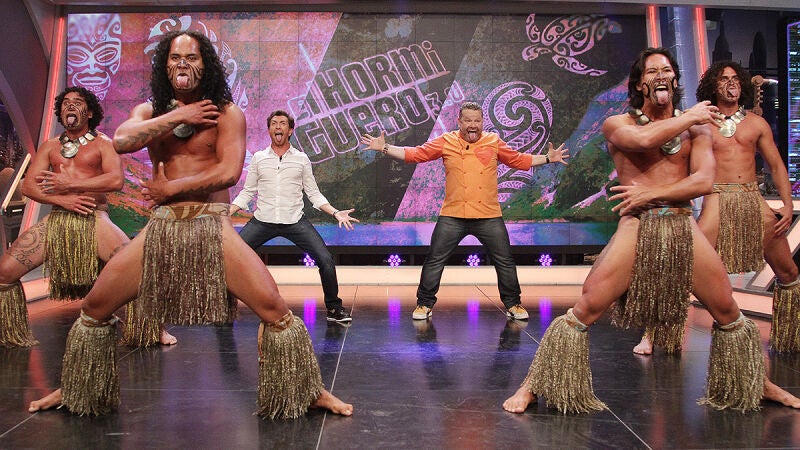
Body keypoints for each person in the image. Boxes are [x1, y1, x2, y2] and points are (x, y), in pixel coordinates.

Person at [28, 31, 352, 419]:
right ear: (165, 65)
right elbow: (123, 141)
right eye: (175, 57)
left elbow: (229, 172)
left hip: (211, 224)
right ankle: (76, 387)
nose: (183, 63)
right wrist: (180, 115)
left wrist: (172, 188)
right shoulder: (150, 112)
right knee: (96, 306)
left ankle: (309, 390)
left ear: (206, 64)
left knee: (273, 307)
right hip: (163, 225)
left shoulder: (227, 113)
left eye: (192, 57)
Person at [502, 48, 800, 415]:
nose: (661, 74)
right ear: (640, 83)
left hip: (681, 223)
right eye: (652, 70)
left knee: (727, 308)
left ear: (674, 80)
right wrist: (687, 119)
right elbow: (644, 141)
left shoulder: (697, 127)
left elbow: (704, 181)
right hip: (637, 226)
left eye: (667, 69)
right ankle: (534, 383)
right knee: (588, 306)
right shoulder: (618, 124)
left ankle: (757, 381)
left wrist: (651, 192)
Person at [633, 61, 800, 355]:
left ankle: (792, 335)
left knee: (788, 272)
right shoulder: (699, 123)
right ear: (713, 85)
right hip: (717, 199)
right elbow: (675, 159)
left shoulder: (756, 124)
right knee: (684, 269)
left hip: (752, 199)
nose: (730, 83)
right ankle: (654, 334)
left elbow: (776, 165)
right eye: (723, 79)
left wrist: (787, 204)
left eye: (735, 78)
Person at [360, 102, 568, 321]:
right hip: (453, 215)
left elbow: (518, 160)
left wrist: (548, 158)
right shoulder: (447, 141)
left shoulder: (493, 141)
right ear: (459, 121)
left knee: (505, 261)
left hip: (488, 215)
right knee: (434, 260)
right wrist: (384, 147)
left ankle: (514, 304)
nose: (472, 125)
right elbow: (416, 154)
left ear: (482, 122)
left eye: (477, 121)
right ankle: (424, 304)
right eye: (468, 120)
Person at [0, 86, 129, 348]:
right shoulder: (50, 146)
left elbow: (116, 180)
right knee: (4, 273)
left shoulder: (103, 144)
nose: (70, 106)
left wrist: (70, 184)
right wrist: (62, 199)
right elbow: (29, 186)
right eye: (65, 102)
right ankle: (10, 333)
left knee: (133, 271)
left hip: (94, 217)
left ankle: (150, 330)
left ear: (89, 112)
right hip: (58, 218)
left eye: (78, 102)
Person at [230, 110, 357, 323]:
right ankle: (226, 309)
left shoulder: (301, 159)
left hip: (295, 221)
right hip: (263, 221)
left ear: (290, 130)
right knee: (232, 260)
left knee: (326, 260)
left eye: (282, 123)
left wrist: (335, 212)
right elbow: (247, 192)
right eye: (274, 123)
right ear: (269, 130)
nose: (278, 127)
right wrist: (226, 212)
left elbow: (313, 193)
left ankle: (334, 309)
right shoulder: (259, 158)